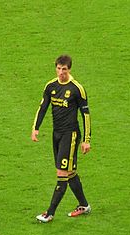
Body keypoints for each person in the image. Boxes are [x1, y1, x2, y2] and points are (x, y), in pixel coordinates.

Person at [31, 55, 91, 223]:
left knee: (61, 173)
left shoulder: (77, 89)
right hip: (56, 134)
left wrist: (86, 140)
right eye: (58, 68)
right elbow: (42, 107)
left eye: (64, 69)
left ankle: (49, 213)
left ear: (69, 69)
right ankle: (84, 205)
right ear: (55, 68)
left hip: (70, 135)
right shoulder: (51, 86)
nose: (61, 72)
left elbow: (85, 115)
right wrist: (35, 128)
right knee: (70, 172)